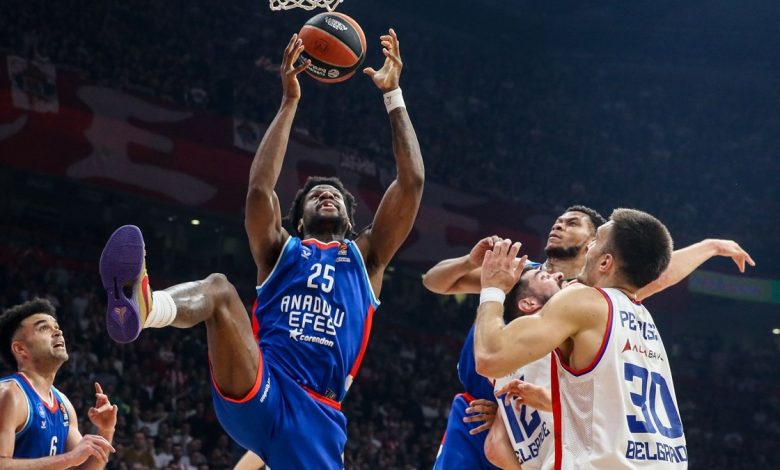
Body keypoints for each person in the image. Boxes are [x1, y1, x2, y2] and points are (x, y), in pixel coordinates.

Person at [98, 29, 423, 469]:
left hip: (317, 413)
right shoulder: (278, 250)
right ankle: (145, 307)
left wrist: (393, 96)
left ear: (350, 222)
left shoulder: (366, 259)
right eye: (315, 195)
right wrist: (289, 101)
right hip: (260, 383)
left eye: (334, 195)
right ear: (299, 220)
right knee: (218, 289)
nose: (326, 195)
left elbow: (411, 183)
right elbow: (258, 190)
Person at [424, 206, 754, 469]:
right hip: (486, 411)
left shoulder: (591, 298)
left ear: (594, 247)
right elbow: (433, 281)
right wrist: (470, 263)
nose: (559, 224)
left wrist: (709, 247)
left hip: (537, 427)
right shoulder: (525, 273)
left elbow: (658, 274)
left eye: (573, 223)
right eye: (559, 220)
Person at [0, 298, 118, 468]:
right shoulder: (9, 394)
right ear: (20, 349)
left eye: (56, 327)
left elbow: (83, 467)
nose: (58, 332)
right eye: (43, 328)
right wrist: (68, 458)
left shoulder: (64, 405)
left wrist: (105, 430)